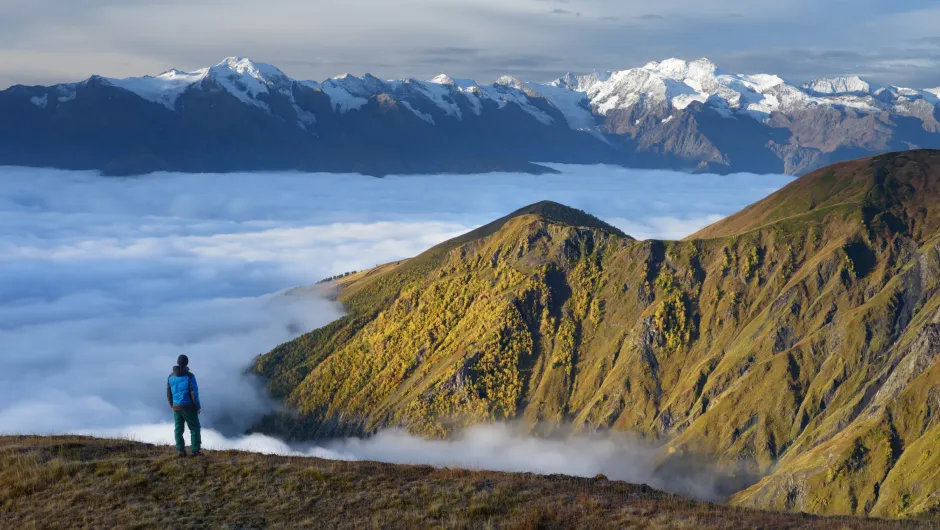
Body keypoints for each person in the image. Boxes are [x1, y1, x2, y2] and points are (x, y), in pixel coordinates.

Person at [166, 354, 203, 457]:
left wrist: (172, 405)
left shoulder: (171, 376)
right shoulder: (190, 376)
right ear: (186, 363)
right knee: (195, 428)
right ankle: (195, 451)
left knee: (178, 429)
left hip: (176, 406)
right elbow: (194, 393)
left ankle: (180, 450)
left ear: (178, 362)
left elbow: (168, 393)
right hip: (188, 406)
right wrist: (197, 407)